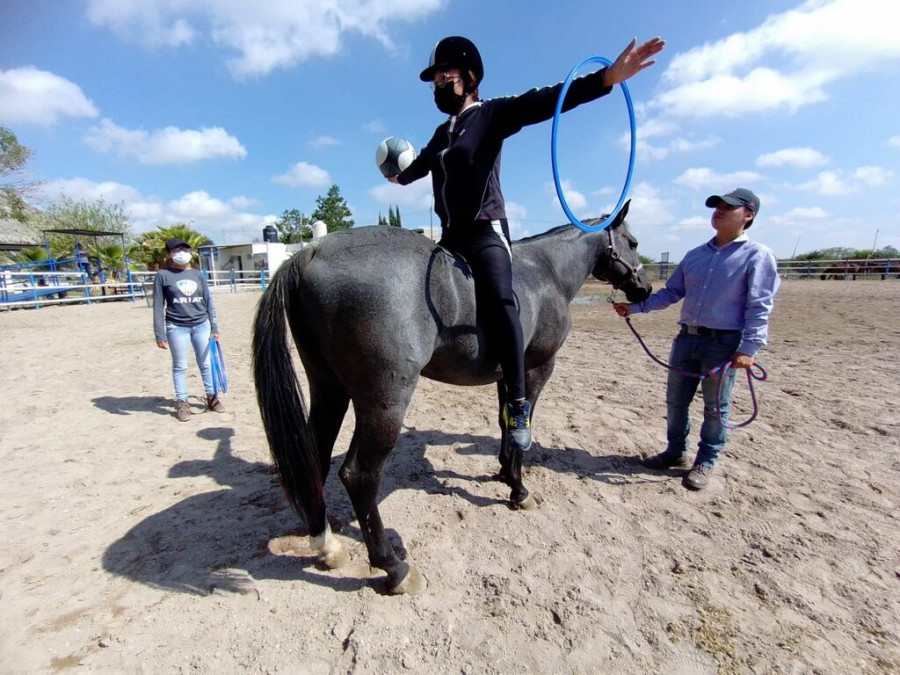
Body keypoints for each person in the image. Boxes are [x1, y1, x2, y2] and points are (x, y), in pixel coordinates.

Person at [388, 34, 665, 454]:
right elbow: (419, 168)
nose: (438, 85)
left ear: (469, 76)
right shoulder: (441, 133)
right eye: (433, 81)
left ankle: (516, 403)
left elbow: (547, 100)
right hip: (449, 239)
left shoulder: (493, 115)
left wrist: (606, 79)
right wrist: (397, 175)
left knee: (503, 301)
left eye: (444, 76)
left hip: (484, 234)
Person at [613, 188, 780, 490]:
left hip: (724, 343)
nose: (719, 211)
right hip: (687, 339)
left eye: (729, 207)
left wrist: (749, 347)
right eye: (717, 206)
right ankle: (675, 452)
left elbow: (760, 305)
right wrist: (635, 308)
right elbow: (671, 293)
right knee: (676, 401)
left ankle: (706, 460)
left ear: (749, 215)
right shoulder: (695, 255)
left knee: (716, 406)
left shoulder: (757, 256)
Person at [153, 238, 225, 422]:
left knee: (206, 363)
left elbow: (208, 301)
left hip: (202, 324)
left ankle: (211, 396)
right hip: (177, 326)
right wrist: (160, 334)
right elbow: (158, 306)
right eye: (176, 250)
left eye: (184, 249)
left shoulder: (198, 274)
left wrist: (214, 327)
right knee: (180, 366)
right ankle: (182, 401)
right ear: (169, 254)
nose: (181, 252)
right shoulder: (163, 275)